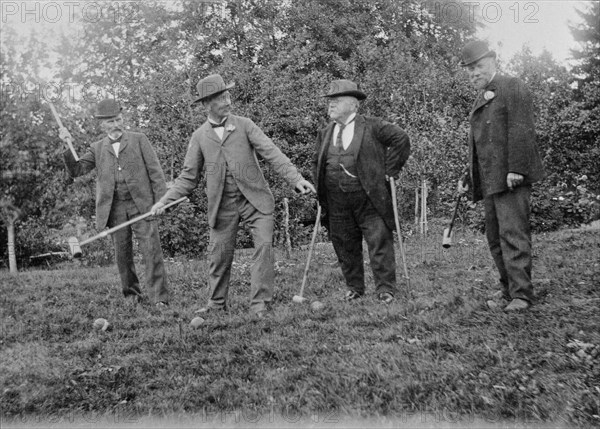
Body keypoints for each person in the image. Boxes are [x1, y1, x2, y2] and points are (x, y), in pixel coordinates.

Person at [150, 74, 315, 318]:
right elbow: (187, 179)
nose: (228, 101)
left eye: (228, 95)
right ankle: (216, 304)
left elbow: (272, 153)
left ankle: (260, 305)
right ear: (207, 105)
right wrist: (164, 201)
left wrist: (295, 178)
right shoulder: (199, 137)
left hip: (256, 200)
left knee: (264, 248)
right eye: (221, 98)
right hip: (222, 205)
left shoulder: (245, 125)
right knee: (219, 254)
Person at [457, 41, 545, 312]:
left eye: (479, 67)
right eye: (470, 70)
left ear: (493, 62)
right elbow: (481, 145)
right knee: (495, 237)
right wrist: (468, 176)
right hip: (490, 180)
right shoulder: (481, 96)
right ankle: (509, 290)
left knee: (513, 234)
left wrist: (516, 168)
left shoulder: (511, 86)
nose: (474, 73)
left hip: (510, 177)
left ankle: (522, 294)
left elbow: (521, 129)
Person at [60, 99, 170, 308]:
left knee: (151, 251)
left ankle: (160, 298)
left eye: (118, 120)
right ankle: (132, 296)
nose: (116, 125)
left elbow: (156, 173)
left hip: (142, 206)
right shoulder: (97, 148)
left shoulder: (140, 140)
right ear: (102, 125)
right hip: (115, 209)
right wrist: (67, 144)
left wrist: (161, 201)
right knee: (122, 255)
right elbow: (76, 170)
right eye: (110, 122)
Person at [312, 79, 410, 303]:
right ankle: (354, 287)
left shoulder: (373, 126)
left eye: (336, 101)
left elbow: (401, 139)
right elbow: (316, 162)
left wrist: (390, 169)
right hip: (336, 199)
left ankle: (385, 288)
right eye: (330, 101)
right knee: (344, 244)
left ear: (354, 104)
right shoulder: (325, 132)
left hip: (368, 196)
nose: (331, 105)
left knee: (378, 241)